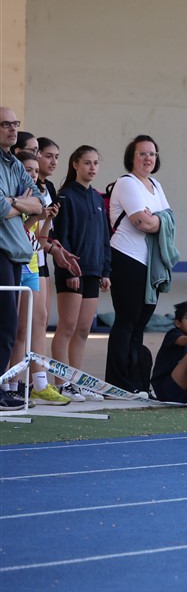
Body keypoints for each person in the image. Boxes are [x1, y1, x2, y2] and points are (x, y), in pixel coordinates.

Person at [105, 135, 173, 395]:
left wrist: (157, 219)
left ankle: (135, 381)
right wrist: (158, 220)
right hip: (127, 259)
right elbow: (142, 223)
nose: (148, 158)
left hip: (150, 265)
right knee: (127, 321)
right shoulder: (126, 183)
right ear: (131, 158)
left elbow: (169, 218)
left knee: (140, 323)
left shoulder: (155, 184)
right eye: (142, 153)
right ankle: (117, 382)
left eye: (152, 154)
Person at [50, 146, 110, 401]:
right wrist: (68, 268)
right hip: (71, 271)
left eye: (96, 162)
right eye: (87, 162)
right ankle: (62, 383)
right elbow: (61, 236)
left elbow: (104, 238)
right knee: (67, 327)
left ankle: (77, 382)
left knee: (84, 329)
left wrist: (105, 270)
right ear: (75, 164)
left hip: (93, 271)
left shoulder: (97, 198)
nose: (92, 167)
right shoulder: (65, 197)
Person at [11, 151, 70, 405]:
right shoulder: (17, 197)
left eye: (36, 171)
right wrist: (36, 215)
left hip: (33, 267)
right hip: (17, 266)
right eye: (29, 170)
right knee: (14, 329)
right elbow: (19, 231)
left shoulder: (37, 199)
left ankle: (22, 385)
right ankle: (9, 384)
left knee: (28, 328)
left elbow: (40, 241)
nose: (34, 175)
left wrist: (46, 219)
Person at [0, 107, 45, 411]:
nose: (13, 129)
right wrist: (20, 204)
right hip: (2, 251)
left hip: (16, 254)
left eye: (15, 124)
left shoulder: (15, 164)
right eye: (5, 124)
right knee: (5, 324)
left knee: (10, 325)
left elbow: (38, 203)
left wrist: (14, 202)